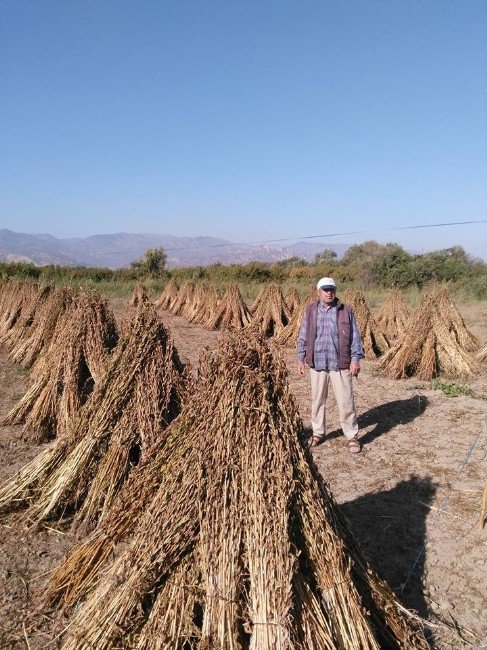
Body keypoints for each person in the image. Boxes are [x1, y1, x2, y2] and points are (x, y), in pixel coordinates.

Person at [297, 277, 364, 453]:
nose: (329, 293)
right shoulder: (311, 311)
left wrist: (355, 359)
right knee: (317, 400)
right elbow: (303, 335)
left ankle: (351, 436)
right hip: (317, 363)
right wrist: (300, 359)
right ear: (318, 292)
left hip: (340, 363)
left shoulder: (345, 310)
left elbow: (355, 336)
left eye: (332, 289)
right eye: (325, 290)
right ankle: (318, 432)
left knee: (346, 401)